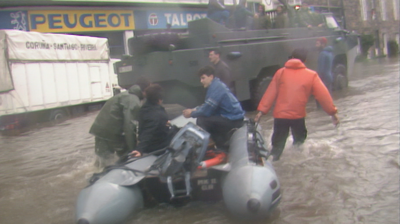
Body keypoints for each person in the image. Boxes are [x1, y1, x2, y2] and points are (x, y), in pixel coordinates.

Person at [254, 48, 339, 161]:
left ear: (292, 57)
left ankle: (271, 167)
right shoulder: (311, 75)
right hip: (298, 117)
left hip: (280, 117)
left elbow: (270, 93)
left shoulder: (280, 73)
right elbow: (324, 96)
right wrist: (332, 113)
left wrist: (261, 111)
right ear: (305, 60)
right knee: (299, 146)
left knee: (276, 150)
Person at [89, 77, 150, 167]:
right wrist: (133, 149)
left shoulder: (126, 95)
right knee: (126, 157)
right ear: (144, 90)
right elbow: (129, 126)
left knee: (100, 162)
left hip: (100, 130)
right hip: (110, 133)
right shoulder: (133, 100)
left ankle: (94, 177)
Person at [182, 66, 245, 150]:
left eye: (203, 78)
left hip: (233, 120)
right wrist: (195, 109)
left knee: (202, 120)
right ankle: (220, 143)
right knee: (205, 118)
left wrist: (192, 113)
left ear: (211, 76)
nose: (201, 81)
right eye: (200, 79)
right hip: (230, 117)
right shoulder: (215, 85)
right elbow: (207, 105)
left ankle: (213, 146)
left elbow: (207, 111)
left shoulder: (216, 88)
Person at [130, 84, 177, 157]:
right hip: (157, 145)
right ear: (159, 100)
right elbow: (148, 132)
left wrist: (163, 123)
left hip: (153, 142)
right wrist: (139, 149)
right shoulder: (156, 114)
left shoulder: (145, 108)